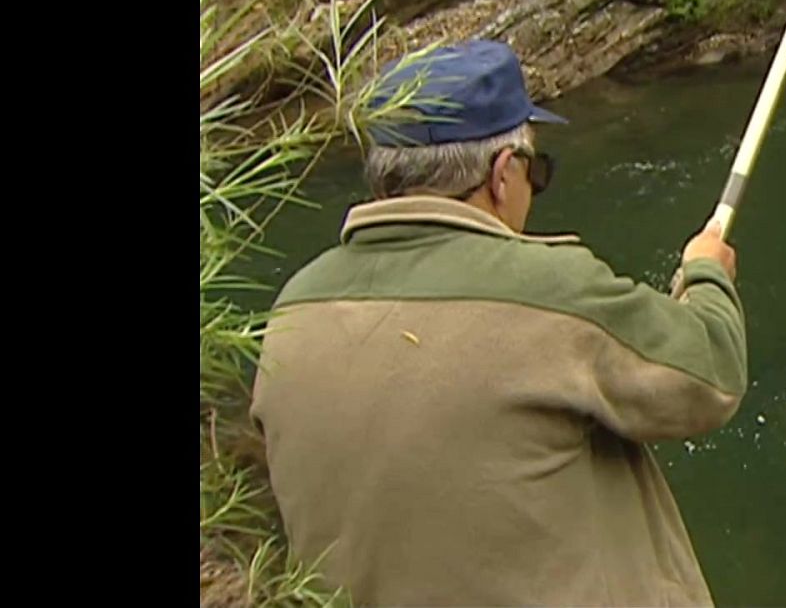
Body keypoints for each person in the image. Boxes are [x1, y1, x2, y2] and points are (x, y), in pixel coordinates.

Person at [250, 39, 746, 606]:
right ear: (503, 173)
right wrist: (707, 276)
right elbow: (710, 377)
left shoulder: (292, 309)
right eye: (537, 169)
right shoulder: (550, 289)